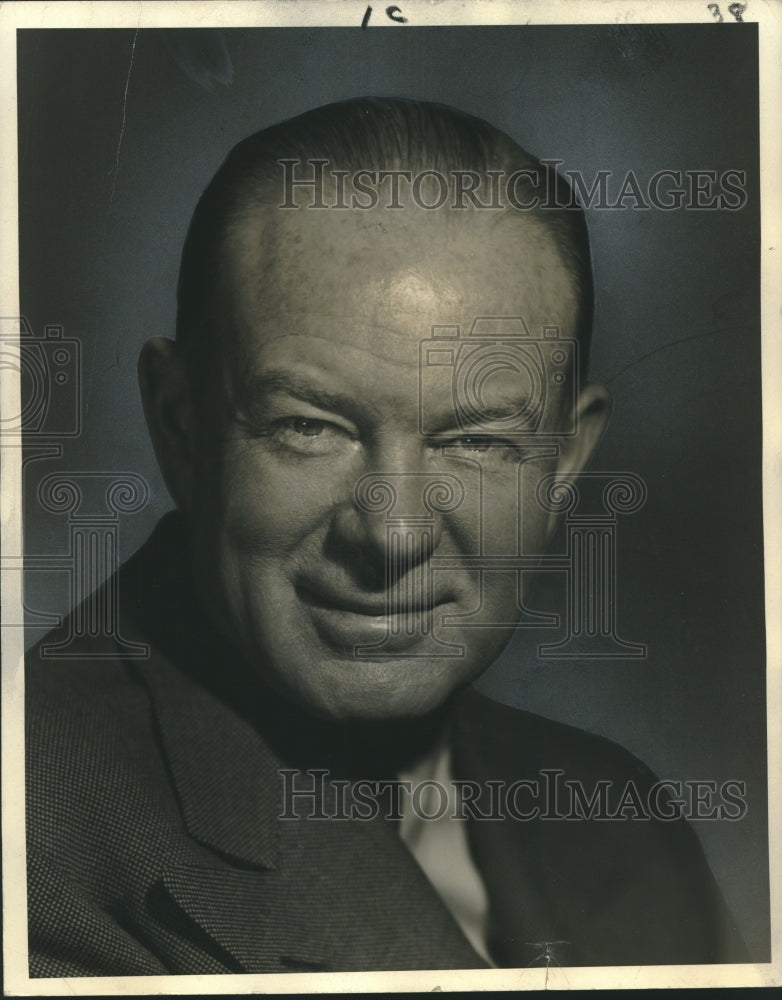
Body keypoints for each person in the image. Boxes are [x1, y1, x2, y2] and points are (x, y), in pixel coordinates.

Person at [25, 98, 748, 976]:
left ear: (565, 459)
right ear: (179, 425)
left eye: (475, 439)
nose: (394, 532)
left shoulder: (624, 822)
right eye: (310, 427)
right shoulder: (38, 842)